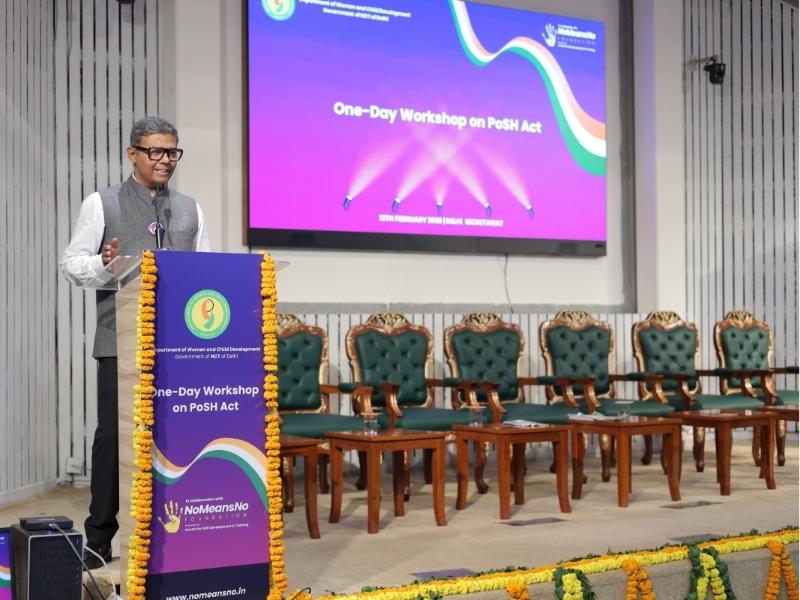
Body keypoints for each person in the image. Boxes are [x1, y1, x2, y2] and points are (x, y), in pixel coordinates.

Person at [60, 116, 209, 569]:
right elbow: (71, 264)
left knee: (176, 436)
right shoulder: (101, 202)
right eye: (156, 151)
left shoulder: (190, 209)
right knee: (113, 437)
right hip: (120, 341)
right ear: (133, 154)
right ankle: (99, 538)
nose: (166, 160)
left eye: (172, 152)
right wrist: (103, 264)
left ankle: (176, 532)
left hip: (179, 343)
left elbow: (205, 271)